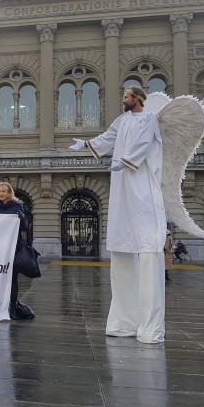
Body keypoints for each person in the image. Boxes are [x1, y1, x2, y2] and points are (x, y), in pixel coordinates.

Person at [69, 86, 166, 343]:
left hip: (140, 180)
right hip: (122, 182)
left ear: (137, 98)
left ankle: (150, 325)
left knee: (145, 249)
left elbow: (145, 144)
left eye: (126, 96)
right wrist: (86, 144)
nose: (123, 99)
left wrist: (125, 161)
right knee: (122, 247)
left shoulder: (149, 119)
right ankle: (125, 321)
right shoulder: (122, 120)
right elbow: (108, 137)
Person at [0, 181, 34, 321]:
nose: (1, 194)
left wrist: (21, 219)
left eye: (4, 191)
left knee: (12, 278)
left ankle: (12, 307)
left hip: (13, 247)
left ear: (9, 193)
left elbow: (25, 229)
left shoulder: (17, 206)